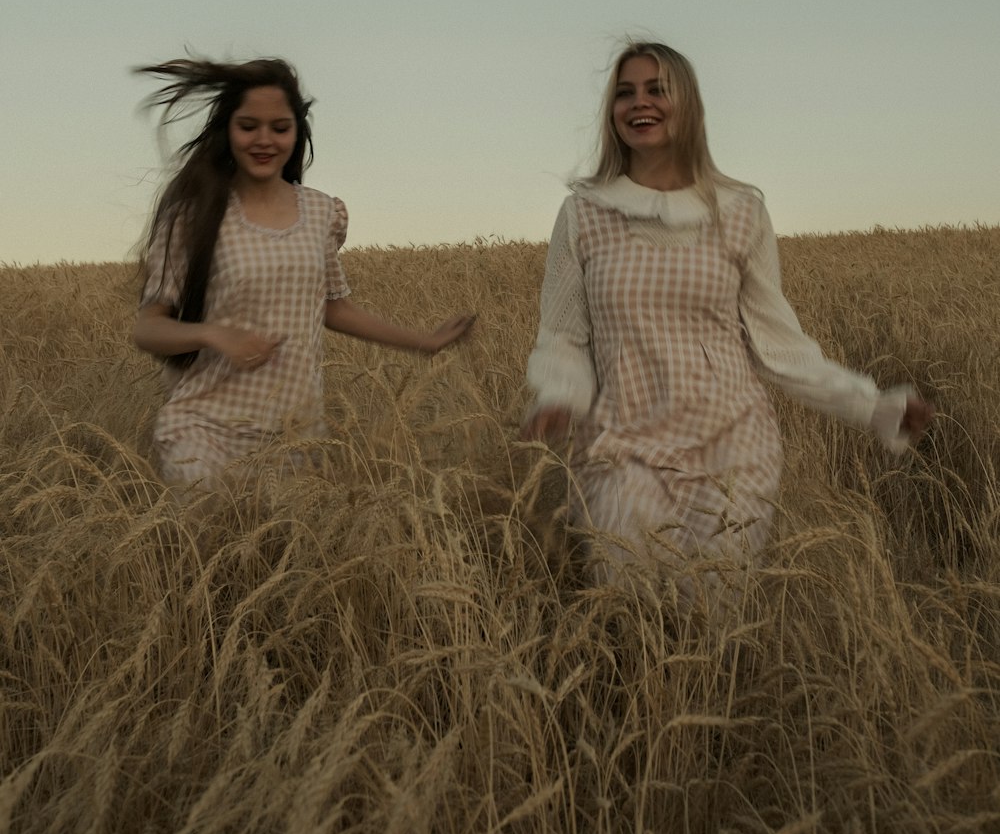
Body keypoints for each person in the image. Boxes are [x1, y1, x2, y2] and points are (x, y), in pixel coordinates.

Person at [520, 41, 933, 597]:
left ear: (685, 102)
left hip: (732, 446)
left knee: (711, 625)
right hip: (623, 444)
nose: (638, 103)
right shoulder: (584, 213)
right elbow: (563, 335)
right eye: (624, 92)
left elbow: (780, 348)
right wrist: (558, 395)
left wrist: (872, 405)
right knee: (630, 606)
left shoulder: (740, 211)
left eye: (655, 88)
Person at [134, 57, 474, 489]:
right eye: (248, 126)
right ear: (228, 131)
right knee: (210, 539)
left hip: (295, 435)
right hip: (204, 428)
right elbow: (148, 328)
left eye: (280, 128)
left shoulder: (320, 212)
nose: (264, 140)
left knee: (283, 557)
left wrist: (421, 341)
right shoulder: (193, 216)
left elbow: (332, 307)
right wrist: (213, 334)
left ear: (297, 132)